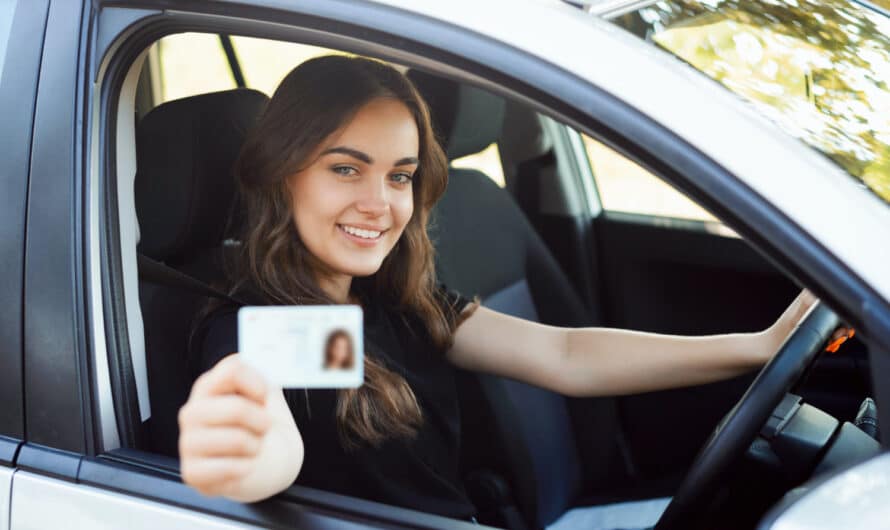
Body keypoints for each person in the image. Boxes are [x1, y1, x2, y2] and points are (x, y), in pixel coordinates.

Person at [176, 55, 831, 525]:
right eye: (346, 169)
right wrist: (239, 459)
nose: (379, 203)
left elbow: (566, 357)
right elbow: (271, 445)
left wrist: (761, 346)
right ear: (281, 174)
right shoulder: (265, 326)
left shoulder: (385, 302)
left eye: (399, 176)